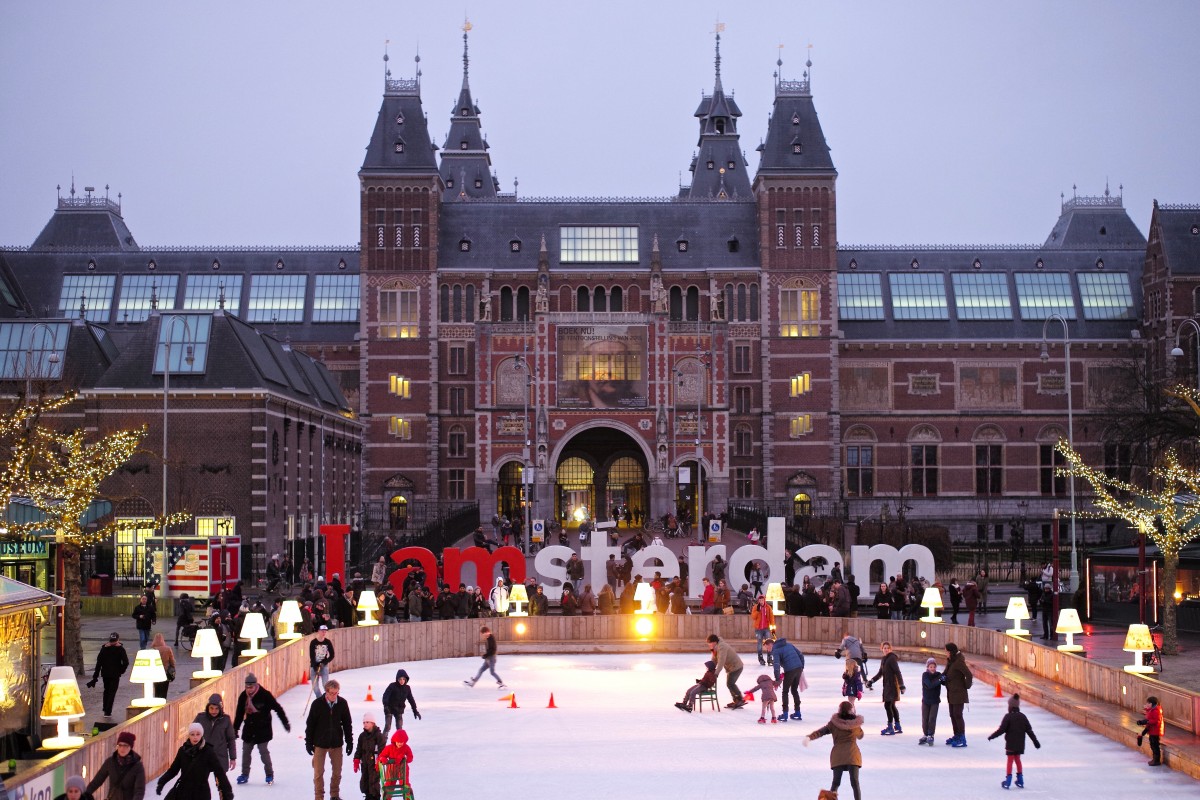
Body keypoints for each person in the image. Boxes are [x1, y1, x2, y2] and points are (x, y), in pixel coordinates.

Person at [233, 672, 290, 786]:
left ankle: (269, 774)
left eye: (251, 687)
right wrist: (235, 729)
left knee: (263, 751)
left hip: (263, 729)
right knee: (246, 752)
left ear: (256, 685)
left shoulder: (265, 695)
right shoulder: (243, 696)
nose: (249, 690)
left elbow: (278, 708)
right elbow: (239, 713)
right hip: (249, 729)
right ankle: (244, 774)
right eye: (247, 687)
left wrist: (285, 722)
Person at [804, 701, 865, 800]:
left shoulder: (834, 723)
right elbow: (861, 736)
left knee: (836, 782)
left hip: (838, 756)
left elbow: (822, 731)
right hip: (853, 755)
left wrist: (810, 737)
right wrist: (857, 724)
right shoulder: (855, 725)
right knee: (855, 783)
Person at [304, 679, 354, 800]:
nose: (333, 695)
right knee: (318, 773)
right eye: (331, 693)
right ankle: (319, 796)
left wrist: (349, 742)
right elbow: (310, 724)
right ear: (326, 692)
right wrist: (308, 742)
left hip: (336, 743)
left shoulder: (342, 703)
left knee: (337, 772)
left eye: (336, 693)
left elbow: (347, 724)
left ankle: (334, 795)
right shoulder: (317, 704)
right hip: (320, 744)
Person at [155, 723, 233, 800]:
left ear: (202, 735)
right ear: (189, 735)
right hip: (184, 792)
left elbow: (219, 772)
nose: (195, 737)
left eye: (198, 734)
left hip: (201, 793)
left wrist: (227, 791)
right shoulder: (182, 751)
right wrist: (162, 782)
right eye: (192, 734)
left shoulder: (208, 751)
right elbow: (173, 770)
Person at [988, 693, 1040, 788]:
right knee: (1018, 760)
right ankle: (1020, 779)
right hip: (1020, 744)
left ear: (1010, 706)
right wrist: (1035, 741)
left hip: (1010, 743)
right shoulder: (1023, 717)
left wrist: (992, 736)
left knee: (1010, 761)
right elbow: (1029, 730)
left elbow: (1001, 730)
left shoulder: (1008, 717)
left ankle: (1008, 780)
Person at [85, 731, 145, 800]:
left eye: (125, 745)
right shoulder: (110, 762)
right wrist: (85, 795)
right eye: (120, 745)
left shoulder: (137, 766)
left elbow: (139, 790)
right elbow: (96, 781)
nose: (122, 748)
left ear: (130, 747)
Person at [866, 641, 905, 734]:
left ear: (890, 649)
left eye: (888, 648)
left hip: (892, 685)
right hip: (887, 685)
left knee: (888, 705)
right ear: (882, 649)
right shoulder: (884, 659)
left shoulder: (891, 658)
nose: (886, 649)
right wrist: (871, 681)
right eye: (884, 648)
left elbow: (897, 672)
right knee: (892, 705)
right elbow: (880, 673)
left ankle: (890, 726)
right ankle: (898, 725)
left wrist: (901, 685)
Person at [86, 632, 129, 717]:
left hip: (105, 673)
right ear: (118, 640)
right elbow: (126, 662)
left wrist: (95, 676)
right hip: (115, 674)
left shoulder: (104, 649)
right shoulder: (120, 649)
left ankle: (105, 708)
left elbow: (99, 663)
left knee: (106, 691)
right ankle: (108, 711)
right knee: (112, 692)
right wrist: (121, 670)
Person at [193, 693, 236, 774]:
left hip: (220, 756)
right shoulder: (201, 718)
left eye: (216, 708)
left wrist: (233, 758)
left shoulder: (226, 720)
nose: (214, 711)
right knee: (201, 783)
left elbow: (231, 739)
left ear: (221, 708)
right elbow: (192, 735)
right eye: (211, 708)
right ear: (207, 708)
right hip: (203, 756)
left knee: (221, 783)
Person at [764, 637, 805, 721]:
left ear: (770, 644)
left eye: (767, 648)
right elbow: (800, 654)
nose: (768, 651)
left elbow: (776, 666)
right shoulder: (789, 644)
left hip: (790, 670)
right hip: (798, 668)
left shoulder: (776, 650)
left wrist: (777, 679)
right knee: (794, 690)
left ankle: (785, 714)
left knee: (785, 691)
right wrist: (801, 666)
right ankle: (797, 712)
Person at [942, 642, 973, 747]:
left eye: (946, 650)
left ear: (950, 652)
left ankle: (962, 737)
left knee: (958, 715)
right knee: (952, 714)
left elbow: (969, 675)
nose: (945, 652)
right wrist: (941, 678)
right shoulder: (951, 661)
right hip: (951, 692)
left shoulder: (959, 662)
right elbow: (946, 673)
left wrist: (966, 686)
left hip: (959, 693)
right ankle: (957, 735)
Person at [706, 633, 745, 709]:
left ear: (714, 642)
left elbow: (721, 661)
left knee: (730, 683)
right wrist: (710, 667)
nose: (709, 645)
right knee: (730, 684)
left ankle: (740, 699)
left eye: (709, 643)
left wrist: (716, 673)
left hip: (736, 667)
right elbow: (714, 659)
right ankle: (736, 700)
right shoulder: (715, 647)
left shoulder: (722, 647)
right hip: (731, 667)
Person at [352, 712, 386, 800]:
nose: (365, 724)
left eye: (367, 722)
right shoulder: (362, 736)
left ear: (373, 723)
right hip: (365, 763)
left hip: (375, 764)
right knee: (364, 780)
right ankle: (368, 795)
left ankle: (374, 797)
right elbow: (358, 749)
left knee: (373, 781)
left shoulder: (379, 736)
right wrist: (356, 759)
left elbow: (382, 750)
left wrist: (379, 759)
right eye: (364, 722)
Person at [381, 668, 421, 737]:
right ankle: (381, 744)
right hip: (389, 708)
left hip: (399, 709)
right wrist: (386, 706)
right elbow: (385, 696)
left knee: (399, 728)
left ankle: (399, 743)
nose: (402, 681)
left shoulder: (407, 688)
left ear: (406, 679)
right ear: (397, 679)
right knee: (388, 726)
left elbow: (411, 700)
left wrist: (415, 711)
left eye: (403, 679)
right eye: (400, 679)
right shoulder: (392, 686)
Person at [377, 730, 415, 796]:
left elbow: (410, 757)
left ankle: (407, 796)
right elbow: (381, 756)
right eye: (398, 742)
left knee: (405, 784)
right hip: (391, 770)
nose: (400, 744)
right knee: (389, 785)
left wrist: (405, 758)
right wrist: (383, 759)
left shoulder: (406, 747)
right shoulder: (389, 748)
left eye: (402, 742)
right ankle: (387, 797)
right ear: (394, 740)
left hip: (402, 770)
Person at [919, 657, 943, 745]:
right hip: (925, 700)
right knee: (925, 718)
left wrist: (943, 679)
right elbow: (929, 685)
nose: (932, 668)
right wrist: (940, 680)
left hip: (935, 701)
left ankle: (930, 734)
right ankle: (925, 734)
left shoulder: (938, 674)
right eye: (930, 667)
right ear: (927, 667)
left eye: (934, 666)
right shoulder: (925, 675)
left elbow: (944, 681)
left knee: (932, 718)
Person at [1137, 695, 1164, 767]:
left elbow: (1155, 721)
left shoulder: (1156, 711)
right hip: (1152, 730)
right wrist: (1144, 728)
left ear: (1151, 704)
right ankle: (1154, 759)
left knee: (1155, 745)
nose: (1146, 705)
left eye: (1147, 703)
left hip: (1155, 731)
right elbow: (1149, 720)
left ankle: (1157, 760)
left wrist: (1145, 721)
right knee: (1152, 745)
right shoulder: (1151, 711)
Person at [309, 626, 335, 696]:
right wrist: (314, 666)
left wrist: (324, 662)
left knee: (325, 685)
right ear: (318, 631)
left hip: (324, 666)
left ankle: (328, 699)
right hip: (314, 666)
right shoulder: (313, 642)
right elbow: (312, 655)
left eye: (325, 631)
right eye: (322, 631)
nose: (324, 633)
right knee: (315, 687)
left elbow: (332, 655)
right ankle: (320, 700)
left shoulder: (327, 642)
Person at [750, 595, 774, 665]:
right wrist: (757, 611)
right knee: (759, 643)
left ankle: (769, 658)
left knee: (769, 643)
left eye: (762, 600)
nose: (761, 602)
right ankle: (760, 658)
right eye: (760, 600)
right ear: (758, 601)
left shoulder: (768, 607)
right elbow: (753, 617)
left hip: (766, 628)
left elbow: (771, 617)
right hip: (758, 629)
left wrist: (772, 627)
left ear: (764, 600)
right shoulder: (755, 607)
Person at [152, 632, 175, 699]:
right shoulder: (167, 649)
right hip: (166, 672)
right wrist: (173, 668)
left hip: (156, 673)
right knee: (164, 691)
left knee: (157, 691)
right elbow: (172, 661)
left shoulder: (153, 649)